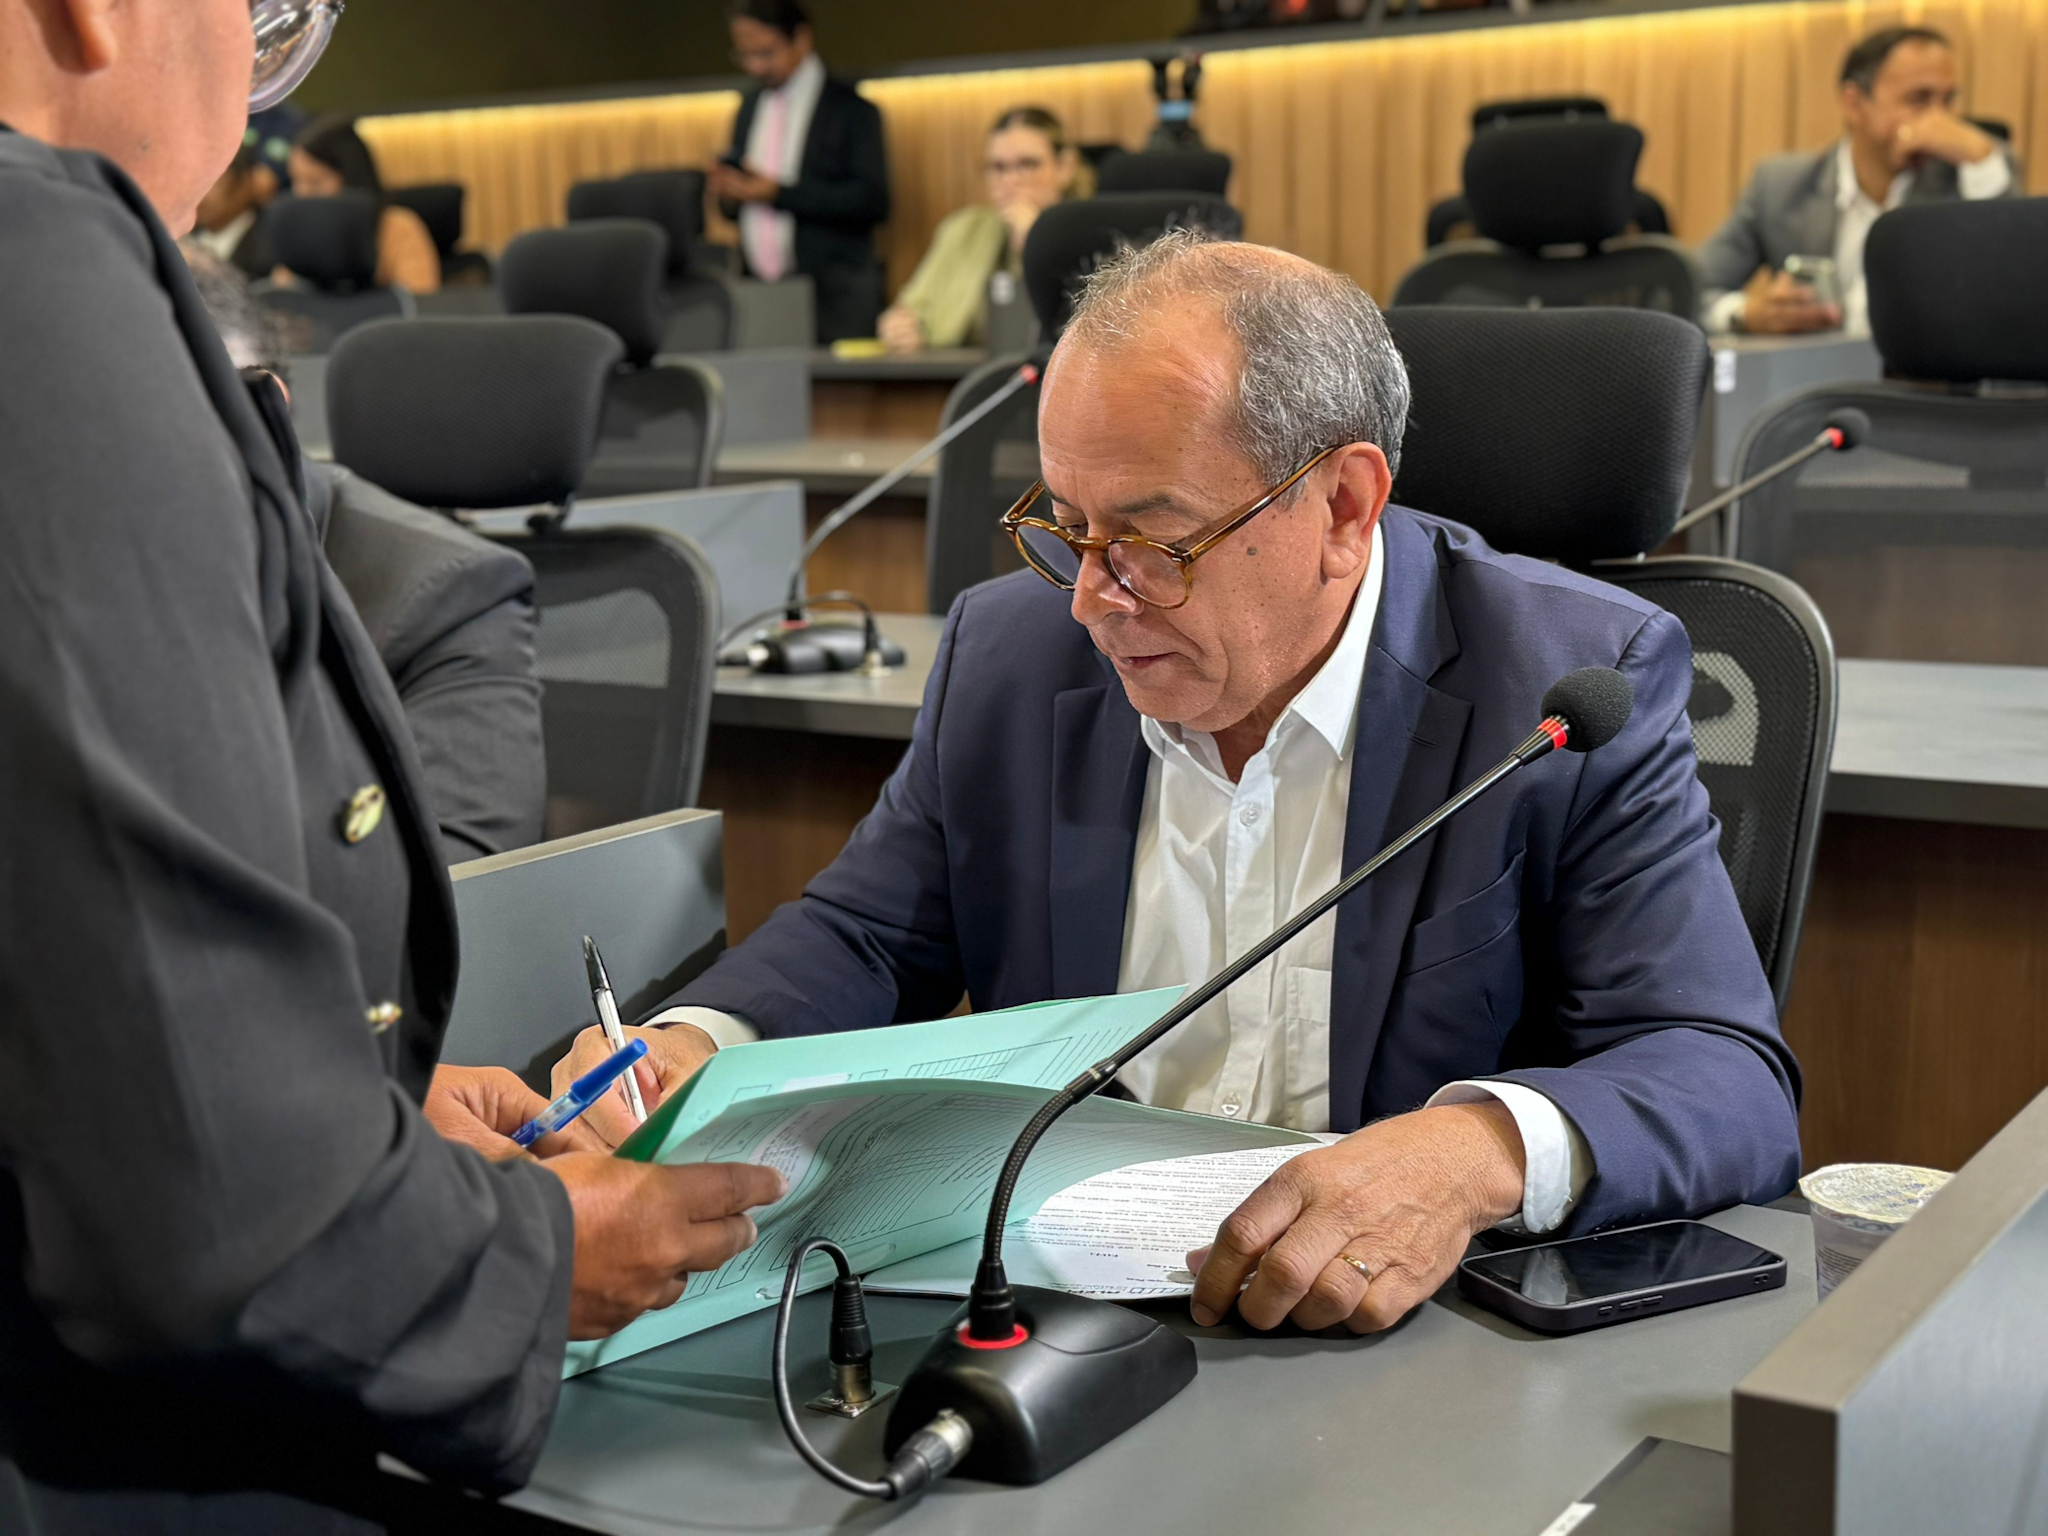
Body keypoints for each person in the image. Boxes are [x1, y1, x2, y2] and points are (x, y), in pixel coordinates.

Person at [556, 232, 1803, 1339]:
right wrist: (692, 1047)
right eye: (1065, 525)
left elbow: (1721, 1073)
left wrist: (1469, 1151)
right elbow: (869, 934)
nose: (1093, 598)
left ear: (1342, 506)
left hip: (1390, 1336)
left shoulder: (1563, 689)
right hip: (1049, 1313)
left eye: (1152, 541)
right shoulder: (1011, 653)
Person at [0, 0, 780, 1528]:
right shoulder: (48, 288)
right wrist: (533, 1261)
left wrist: (362, 1107)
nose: (258, 77)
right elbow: (210, 1202)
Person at [1699, 25, 2016, 336]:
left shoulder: (1966, 174)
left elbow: (2013, 290)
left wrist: (1982, 162)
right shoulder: (1780, 185)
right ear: (1853, 103)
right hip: (1813, 368)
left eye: (1948, 100)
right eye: (1919, 99)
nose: (1940, 120)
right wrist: (1746, 314)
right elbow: (1690, 289)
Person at [711, 0, 890, 343]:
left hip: (836, 302)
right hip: (763, 297)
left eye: (765, 52)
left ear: (801, 39)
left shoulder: (852, 109)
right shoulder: (749, 107)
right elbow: (737, 211)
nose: (755, 66)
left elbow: (873, 201)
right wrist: (730, 191)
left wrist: (779, 194)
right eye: (744, 55)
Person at [877, 106, 1078, 353]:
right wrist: (901, 327)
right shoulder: (964, 229)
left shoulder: (1083, 232)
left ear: (1065, 167)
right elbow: (910, 308)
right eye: (998, 167)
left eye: (1028, 164)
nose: (1010, 180)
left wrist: (1034, 243)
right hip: (956, 369)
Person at [285, 112, 441, 294]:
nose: (302, 194)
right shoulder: (300, 233)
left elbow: (419, 302)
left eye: (315, 182)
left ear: (352, 177)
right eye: (295, 181)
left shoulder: (398, 228)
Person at [189, 136, 277, 277]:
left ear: (245, 184)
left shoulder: (268, 252)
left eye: (211, 184)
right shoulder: (181, 237)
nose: (198, 194)